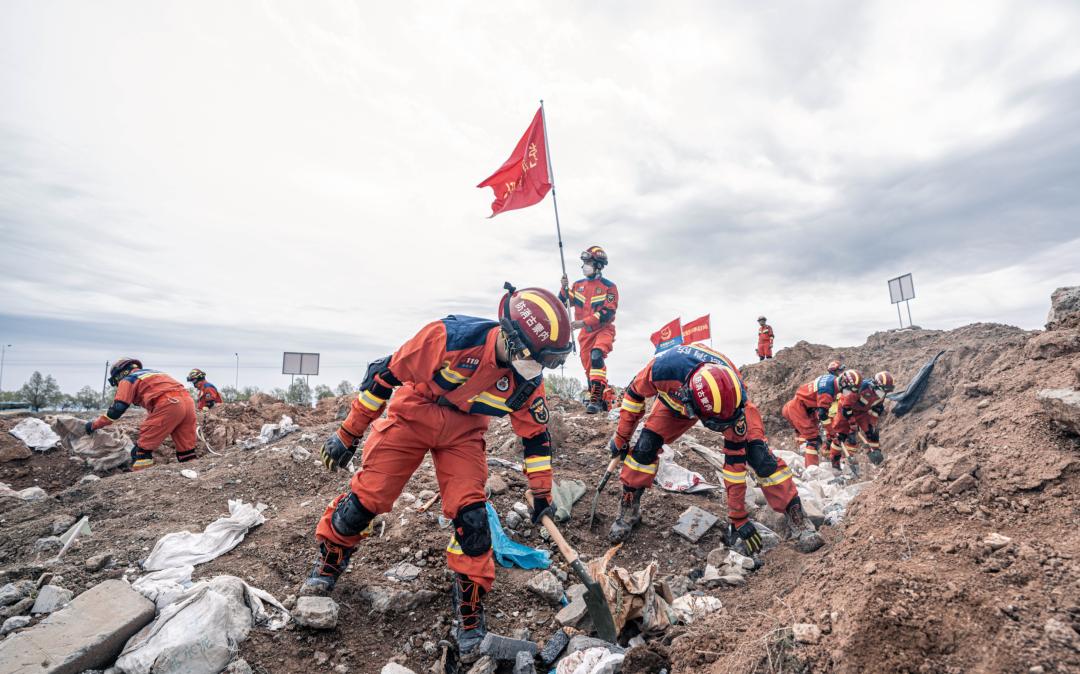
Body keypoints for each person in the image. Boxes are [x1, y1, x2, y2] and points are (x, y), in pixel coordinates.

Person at [301, 284, 572, 661]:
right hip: (414, 413)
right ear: (512, 340)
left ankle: (470, 625)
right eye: (538, 358)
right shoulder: (448, 339)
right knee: (366, 501)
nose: (540, 369)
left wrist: (541, 495)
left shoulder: (526, 382)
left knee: (473, 519)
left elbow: (536, 439)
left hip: (464, 431)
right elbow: (382, 375)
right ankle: (329, 562)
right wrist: (347, 434)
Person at [606, 343, 824, 553]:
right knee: (645, 446)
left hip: (722, 407)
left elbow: (734, 465)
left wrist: (738, 517)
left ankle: (797, 517)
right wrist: (621, 438)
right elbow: (633, 396)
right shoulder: (661, 370)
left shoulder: (733, 400)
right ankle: (629, 508)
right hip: (674, 404)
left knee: (760, 456)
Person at [84, 358, 197, 471]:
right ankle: (192, 478)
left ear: (120, 374)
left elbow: (117, 410)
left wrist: (94, 425)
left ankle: (141, 482)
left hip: (169, 404)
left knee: (141, 451)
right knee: (186, 451)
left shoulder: (129, 379)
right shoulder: (154, 374)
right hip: (189, 403)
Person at [559, 246, 618, 414]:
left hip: (603, 329)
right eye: (584, 262)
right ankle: (602, 399)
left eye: (588, 262)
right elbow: (563, 301)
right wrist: (563, 288)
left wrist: (583, 322)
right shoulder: (577, 286)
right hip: (585, 334)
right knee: (590, 369)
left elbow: (608, 312)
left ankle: (596, 401)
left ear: (598, 265)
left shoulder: (610, 288)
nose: (585, 266)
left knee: (597, 355)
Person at [829, 370, 895, 469]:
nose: (884, 393)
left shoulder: (882, 393)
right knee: (841, 437)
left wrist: (871, 424)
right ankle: (836, 464)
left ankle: (876, 457)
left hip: (862, 413)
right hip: (845, 411)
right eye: (883, 390)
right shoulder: (861, 388)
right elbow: (846, 407)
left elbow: (877, 409)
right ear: (875, 385)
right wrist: (852, 423)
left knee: (872, 433)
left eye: (887, 391)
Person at [781, 373, 842, 466]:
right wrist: (832, 433)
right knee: (813, 440)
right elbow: (823, 415)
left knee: (811, 437)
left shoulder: (830, 379)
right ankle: (812, 469)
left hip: (803, 407)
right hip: (799, 408)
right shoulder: (827, 392)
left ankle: (804, 458)